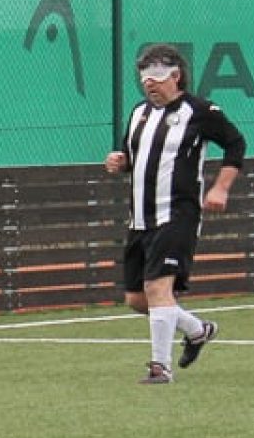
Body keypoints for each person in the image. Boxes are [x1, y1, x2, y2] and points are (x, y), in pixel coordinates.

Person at [105, 43, 245, 384]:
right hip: (140, 218)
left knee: (157, 287)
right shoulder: (139, 113)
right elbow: (132, 155)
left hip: (177, 215)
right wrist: (119, 161)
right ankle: (197, 330)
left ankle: (160, 367)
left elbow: (235, 143)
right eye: (144, 76)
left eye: (156, 75)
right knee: (137, 299)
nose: (149, 82)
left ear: (176, 76)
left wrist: (221, 187)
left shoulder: (200, 111)